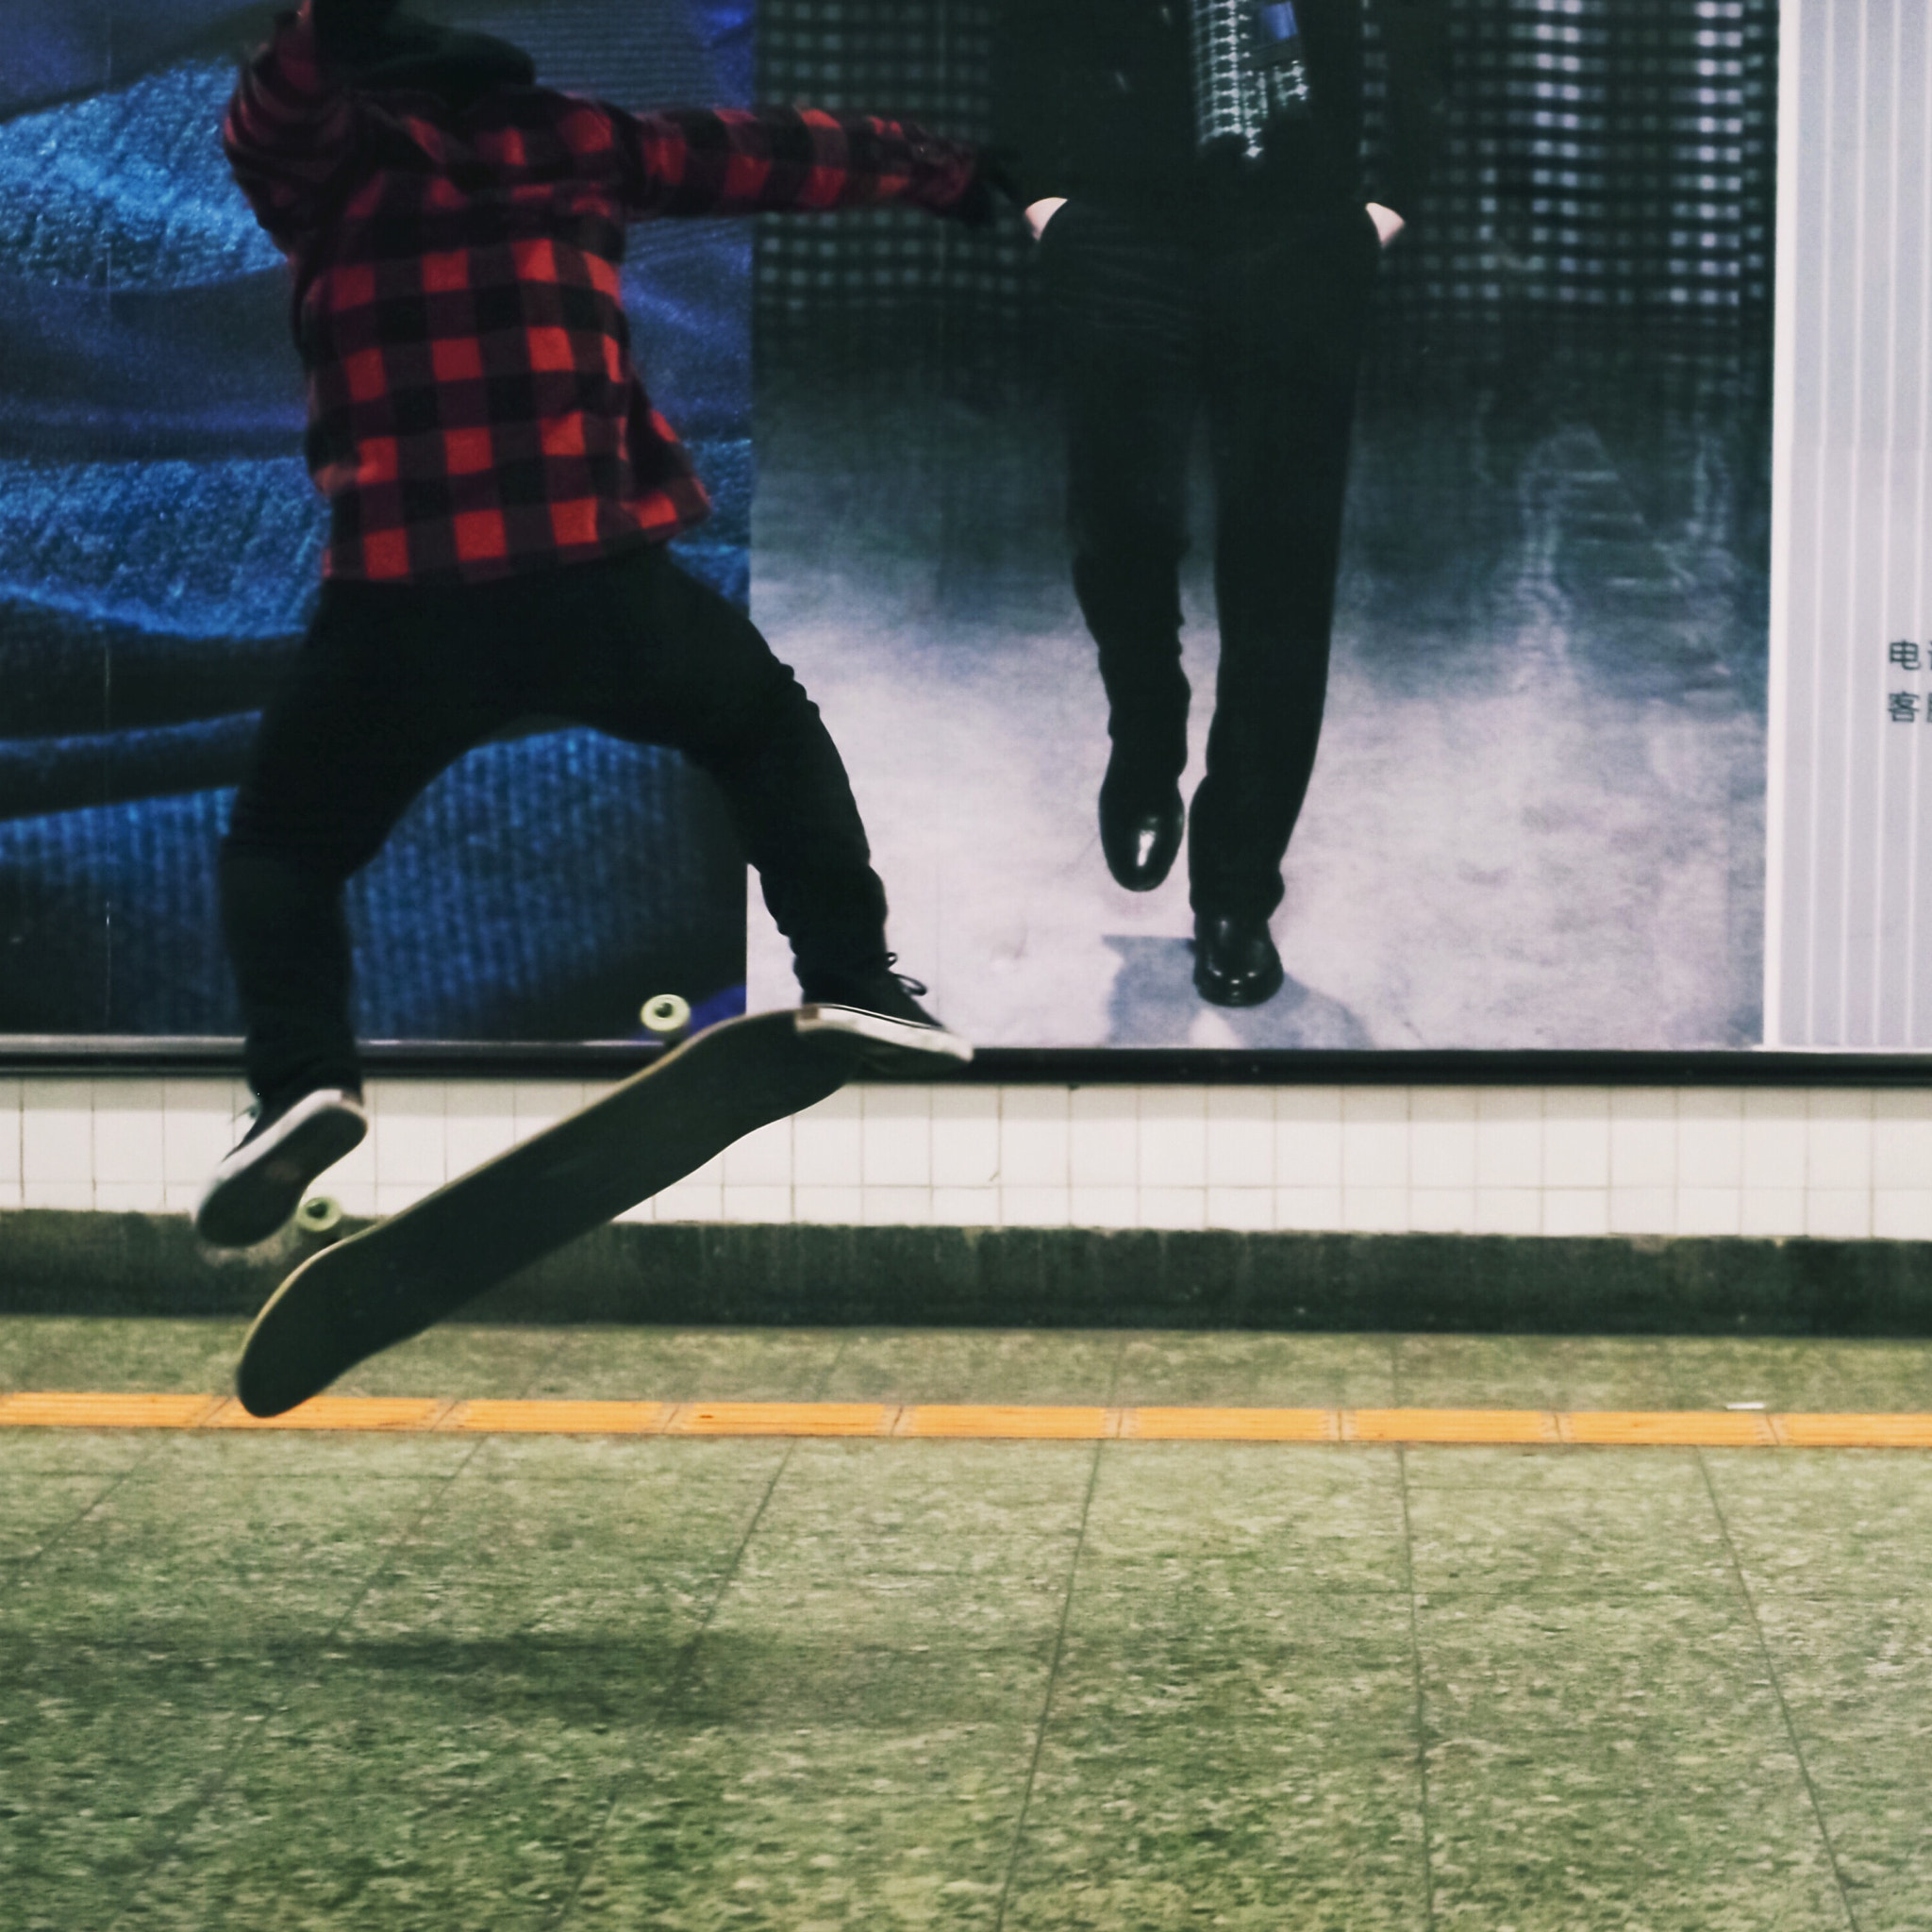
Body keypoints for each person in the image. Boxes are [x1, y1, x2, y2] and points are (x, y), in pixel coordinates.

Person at [196, 0, 1004, 1248]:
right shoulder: (570, 137)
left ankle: (300, 1080)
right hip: (590, 578)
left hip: (403, 604)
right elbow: (768, 152)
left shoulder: (321, 154)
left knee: (283, 851)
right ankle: (854, 980)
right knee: (758, 726)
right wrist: (936, 169)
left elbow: (292, 77)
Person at [994, 0, 1448, 1006]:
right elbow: (1022, 25)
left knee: (1281, 566)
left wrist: (1389, 197)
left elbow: (1427, 28)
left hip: (1295, 222)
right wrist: (1044, 200)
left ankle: (1237, 890)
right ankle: (1146, 728)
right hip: (1118, 216)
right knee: (1117, 523)